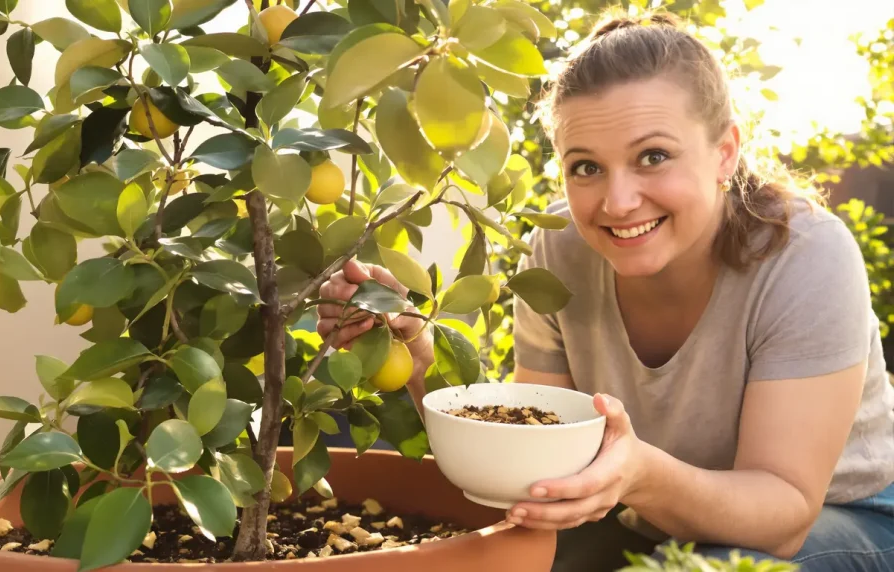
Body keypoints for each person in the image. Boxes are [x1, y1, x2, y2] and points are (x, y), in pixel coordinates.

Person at [315, 11, 894, 572]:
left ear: (725, 152)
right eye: (586, 167)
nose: (616, 203)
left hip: (845, 519)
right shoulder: (563, 247)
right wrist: (418, 364)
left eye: (654, 157)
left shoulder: (803, 254)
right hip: (643, 516)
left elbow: (784, 514)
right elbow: (532, 459)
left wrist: (639, 476)